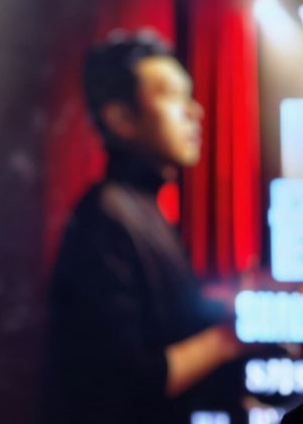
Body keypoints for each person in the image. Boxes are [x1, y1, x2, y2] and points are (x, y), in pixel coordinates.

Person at [44, 31, 243, 423]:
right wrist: (230, 338)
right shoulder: (105, 217)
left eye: (190, 96)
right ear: (121, 118)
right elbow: (127, 381)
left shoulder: (141, 213)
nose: (195, 112)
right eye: (172, 96)